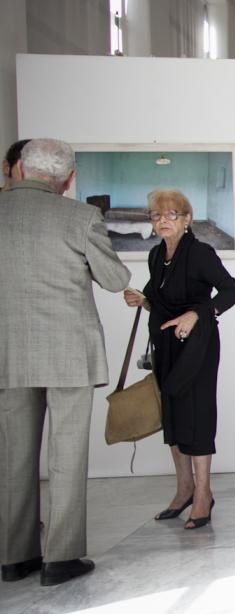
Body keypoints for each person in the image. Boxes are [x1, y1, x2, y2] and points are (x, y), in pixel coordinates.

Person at [1, 138, 129, 586]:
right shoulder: (80, 217)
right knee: (66, 455)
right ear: (69, 178)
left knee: (14, 457)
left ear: (19, 169)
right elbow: (116, 279)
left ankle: (14, 556)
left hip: (9, 351)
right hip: (69, 353)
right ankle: (60, 557)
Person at [122, 188, 235, 529]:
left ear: (186, 219)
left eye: (171, 214)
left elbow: (232, 291)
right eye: (156, 215)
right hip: (167, 345)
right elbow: (161, 300)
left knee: (197, 415)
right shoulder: (156, 255)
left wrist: (198, 314)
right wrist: (142, 300)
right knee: (173, 416)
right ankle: (184, 488)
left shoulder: (201, 253)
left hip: (198, 345)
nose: (163, 221)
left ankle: (203, 493)